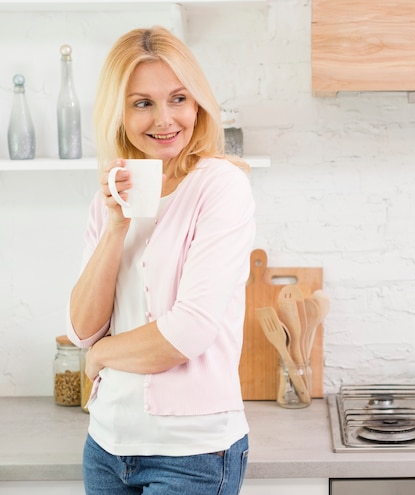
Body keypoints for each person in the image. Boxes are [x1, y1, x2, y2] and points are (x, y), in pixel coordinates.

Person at [66, 26, 255, 495]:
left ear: (198, 104)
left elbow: (187, 331)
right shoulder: (108, 200)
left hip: (192, 455)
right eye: (142, 103)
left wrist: (103, 355)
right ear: (120, 112)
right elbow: (82, 329)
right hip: (107, 446)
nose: (165, 119)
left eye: (178, 98)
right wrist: (116, 225)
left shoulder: (220, 186)